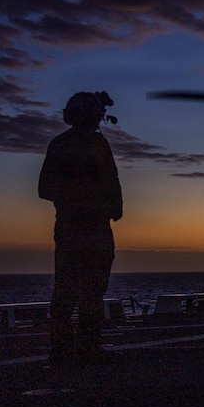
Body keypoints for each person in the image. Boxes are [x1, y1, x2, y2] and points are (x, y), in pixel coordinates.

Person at [38, 91, 123, 365]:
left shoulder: (58, 145)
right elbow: (112, 183)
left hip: (68, 229)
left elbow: (44, 189)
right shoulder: (98, 145)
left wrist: (69, 201)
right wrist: (110, 208)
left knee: (65, 290)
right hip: (94, 230)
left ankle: (60, 349)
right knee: (92, 291)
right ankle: (87, 348)